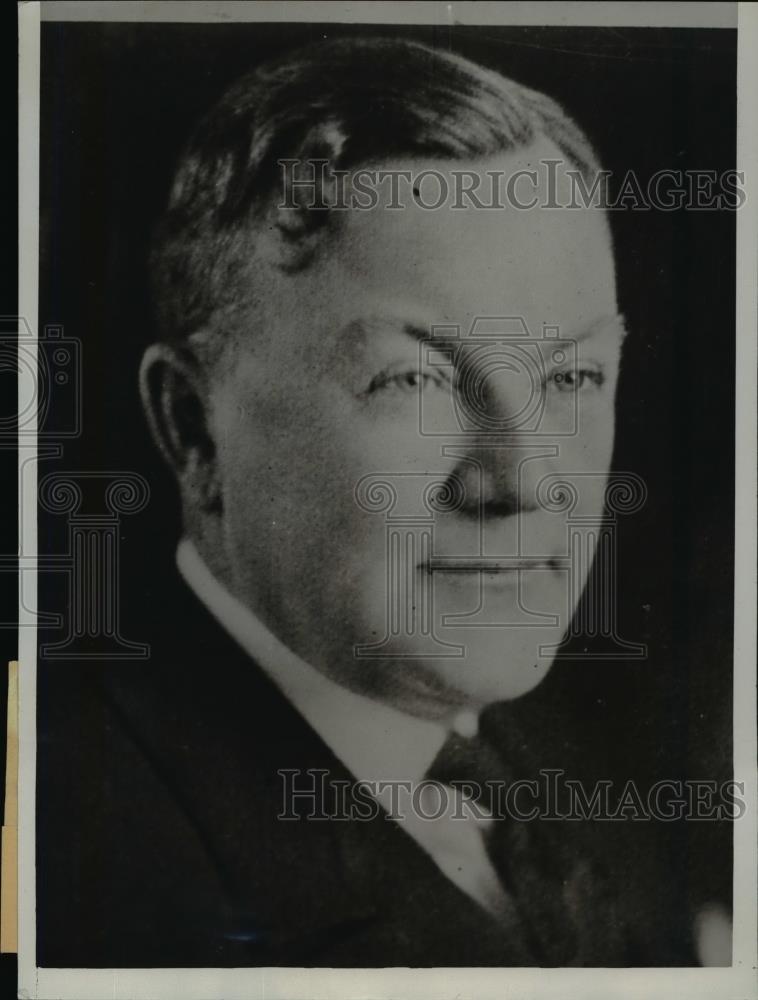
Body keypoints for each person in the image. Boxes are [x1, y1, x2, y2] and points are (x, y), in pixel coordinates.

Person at [36, 36, 701, 967]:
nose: (523, 483)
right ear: (194, 427)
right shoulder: (73, 870)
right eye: (412, 380)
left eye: (574, 375)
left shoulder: (601, 779)